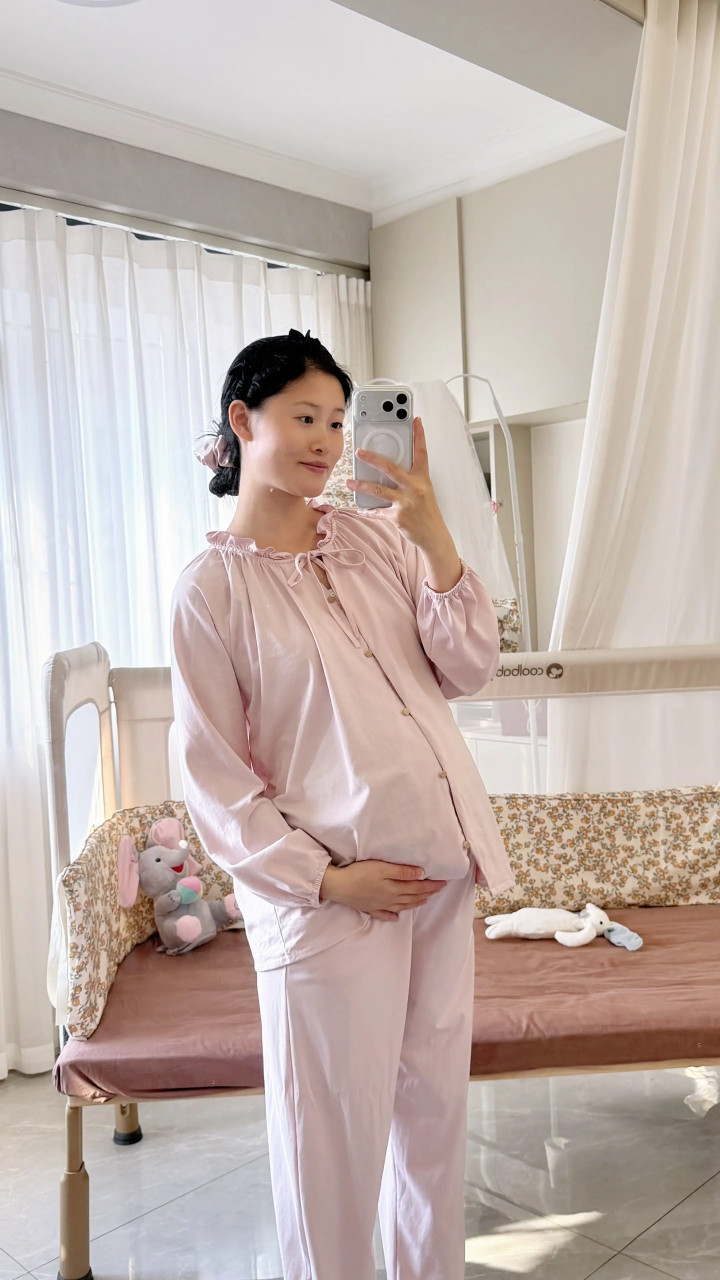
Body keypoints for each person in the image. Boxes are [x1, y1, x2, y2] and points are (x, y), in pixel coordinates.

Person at [169, 328, 515, 1280]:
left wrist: (432, 529)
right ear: (243, 422)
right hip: (332, 901)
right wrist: (327, 880)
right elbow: (215, 778)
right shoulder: (211, 589)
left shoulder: (376, 539)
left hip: (438, 876)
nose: (326, 441)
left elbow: (469, 666)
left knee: (433, 1119)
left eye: (336, 420)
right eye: (304, 418)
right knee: (331, 1140)